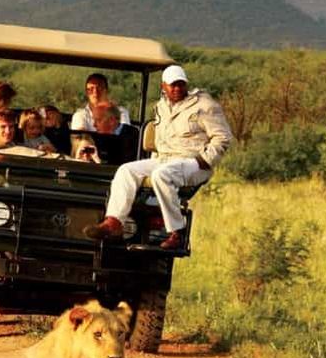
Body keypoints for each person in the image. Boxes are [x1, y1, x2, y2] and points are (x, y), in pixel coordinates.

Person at [83, 65, 233, 250]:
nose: (177, 88)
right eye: (173, 85)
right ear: (164, 86)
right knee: (126, 170)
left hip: (193, 162)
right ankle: (114, 221)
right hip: (166, 159)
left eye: (180, 84)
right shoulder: (161, 107)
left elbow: (223, 137)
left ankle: (176, 232)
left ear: (186, 84)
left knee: (161, 174)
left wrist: (205, 159)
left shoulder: (204, 105)